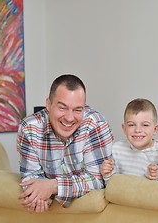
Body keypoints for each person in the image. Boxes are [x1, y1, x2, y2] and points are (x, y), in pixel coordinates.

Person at [16, 74, 113, 213]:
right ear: (48, 104)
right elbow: (30, 177)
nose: (69, 118)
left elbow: (98, 180)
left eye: (77, 109)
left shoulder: (96, 124)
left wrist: (53, 187)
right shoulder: (29, 128)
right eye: (62, 107)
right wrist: (39, 196)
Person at [101, 98, 158, 181]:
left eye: (145, 125)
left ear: (155, 129)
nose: (137, 130)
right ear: (124, 128)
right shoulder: (118, 149)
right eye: (131, 125)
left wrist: (157, 175)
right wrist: (108, 174)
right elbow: (113, 185)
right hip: (125, 192)